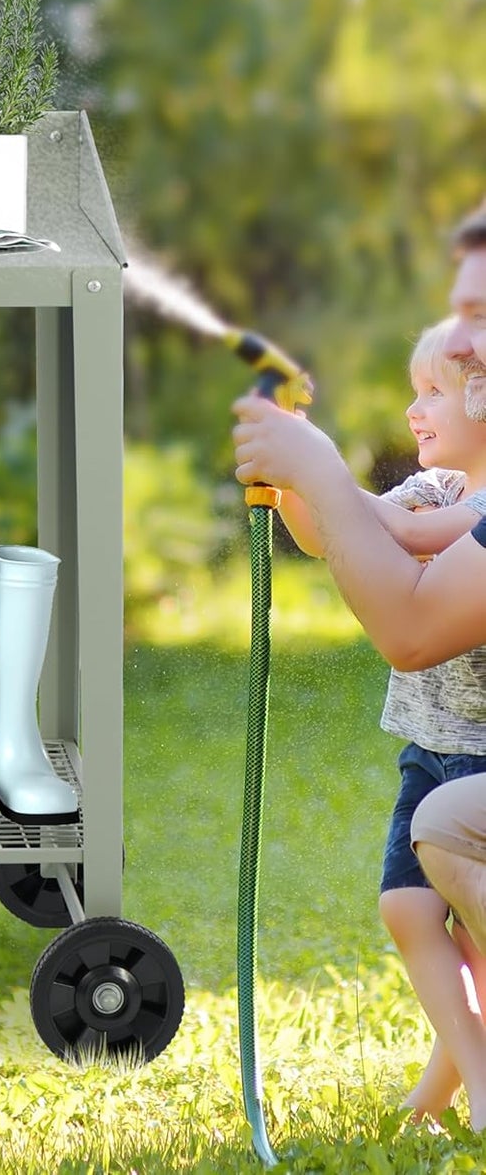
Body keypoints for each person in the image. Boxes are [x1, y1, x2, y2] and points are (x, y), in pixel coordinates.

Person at [232, 206, 486, 1127]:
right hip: (427, 747)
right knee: (407, 911)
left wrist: (325, 474)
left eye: (431, 391)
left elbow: (400, 536)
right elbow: (337, 529)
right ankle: (441, 1094)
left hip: (479, 759)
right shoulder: (434, 489)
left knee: (468, 926)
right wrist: (295, 472)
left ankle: (451, 1096)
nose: (413, 409)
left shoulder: (458, 509)